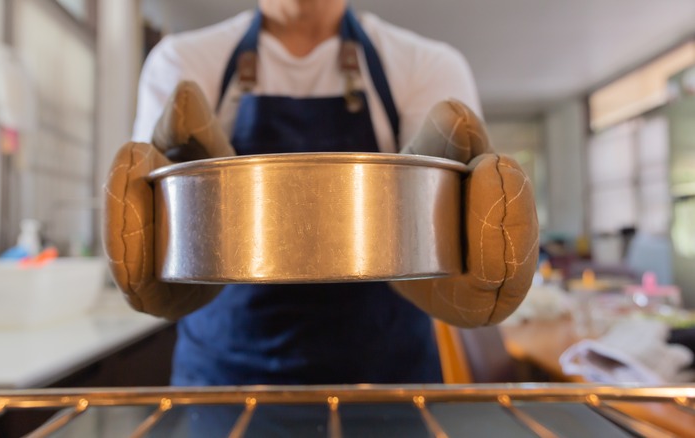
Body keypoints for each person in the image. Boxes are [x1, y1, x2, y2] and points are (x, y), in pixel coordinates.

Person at [103, 0, 539, 386]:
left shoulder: (426, 65)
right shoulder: (182, 61)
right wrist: (172, 249)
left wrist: (448, 250)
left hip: (388, 382)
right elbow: (159, 221)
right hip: (222, 384)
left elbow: (447, 222)